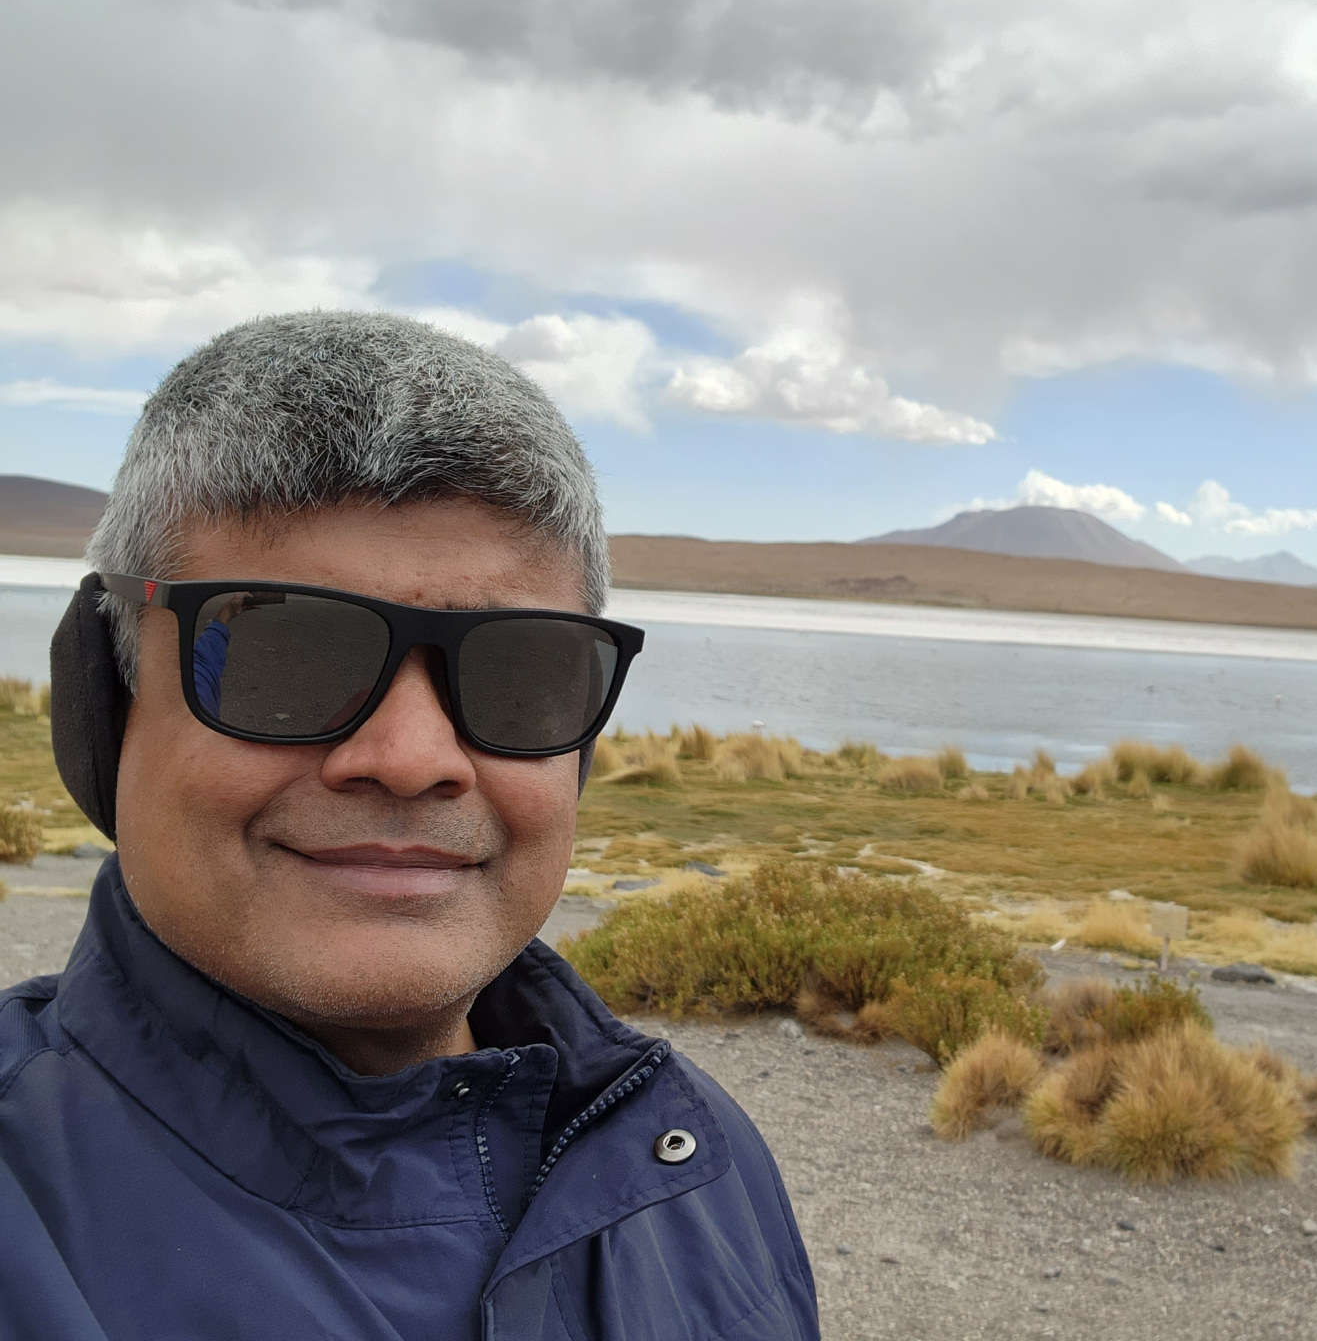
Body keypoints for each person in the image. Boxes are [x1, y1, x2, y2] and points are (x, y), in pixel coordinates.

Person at [0, 312, 819, 1341]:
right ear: (104, 707)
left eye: (520, 671)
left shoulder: (693, 1162)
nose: (412, 757)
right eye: (285, 656)